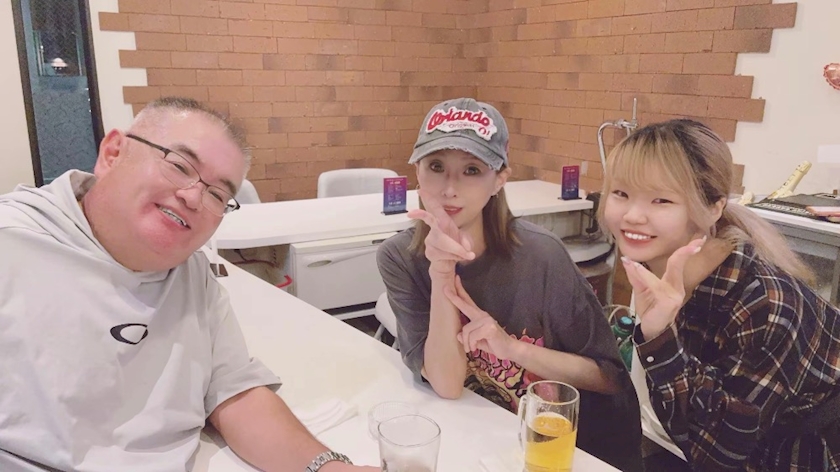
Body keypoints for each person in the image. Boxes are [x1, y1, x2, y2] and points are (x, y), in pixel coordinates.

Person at [0, 97, 377, 472]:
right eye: (179, 166)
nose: (194, 197)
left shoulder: (192, 274)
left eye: (218, 194)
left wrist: (328, 468)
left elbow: (232, 390)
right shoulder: (13, 245)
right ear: (113, 152)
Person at [377, 97, 643, 471]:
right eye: (436, 167)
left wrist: (513, 348)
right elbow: (447, 384)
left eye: (472, 170)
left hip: (578, 449)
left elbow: (609, 378)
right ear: (416, 172)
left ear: (499, 180)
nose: (450, 188)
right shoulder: (399, 257)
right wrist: (442, 272)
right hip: (493, 438)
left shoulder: (540, 256)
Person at [599, 119, 840, 471]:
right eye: (621, 193)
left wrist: (659, 338)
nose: (632, 216)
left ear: (713, 208)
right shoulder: (658, 268)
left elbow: (720, 455)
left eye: (661, 200)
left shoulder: (764, 303)